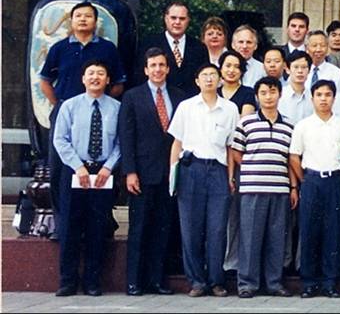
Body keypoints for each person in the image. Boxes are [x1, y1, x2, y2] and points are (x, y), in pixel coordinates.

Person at [39, 1, 127, 218]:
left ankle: (101, 224)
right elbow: (45, 81)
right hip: (66, 112)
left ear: (96, 21)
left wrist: (102, 102)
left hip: (100, 112)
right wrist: (60, 104)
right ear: (71, 20)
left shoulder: (107, 48)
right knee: (60, 170)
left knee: (102, 172)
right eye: (78, 16)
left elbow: (118, 83)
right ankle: (63, 223)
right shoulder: (60, 48)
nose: (83, 19)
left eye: (88, 16)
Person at [169, 63, 239, 297]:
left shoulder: (230, 109)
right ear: (197, 81)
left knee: (217, 229)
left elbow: (230, 147)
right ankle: (197, 281)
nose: (209, 79)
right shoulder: (186, 107)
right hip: (191, 169)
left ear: (220, 80)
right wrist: (173, 175)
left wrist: (230, 176)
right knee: (191, 228)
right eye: (204, 75)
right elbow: (177, 143)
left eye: (213, 75)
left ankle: (216, 280)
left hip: (218, 170)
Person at [51, 60, 120, 297]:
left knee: (97, 228)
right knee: (70, 227)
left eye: (101, 73)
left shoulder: (117, 108)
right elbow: (60, 139)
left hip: (103, 173)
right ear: (83, 79)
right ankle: (67, 281)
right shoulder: (69, 106)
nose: (95, 77)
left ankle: (92, 282)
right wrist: (78, 166)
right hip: (75, 170)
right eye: (91, 73)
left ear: (108, 80)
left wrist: (108, 167)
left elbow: (121, 142)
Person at [119, 48, 182, 296]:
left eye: (161, 65)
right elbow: (126, 137)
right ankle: (134, 281)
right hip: (142, 174)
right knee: (139, 229)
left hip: (169, 174)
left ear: (168, 68)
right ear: (146, 70)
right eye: (153, 65)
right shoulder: (132, 97)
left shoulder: (179, 97)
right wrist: (130, 171)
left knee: (162, 229)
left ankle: (156, 280)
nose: (157, 69)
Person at [229, 77, 296, 298]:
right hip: (252, 189)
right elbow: (236, 153)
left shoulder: (289, 126)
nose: (268, 97)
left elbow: (290, 159)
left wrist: (293, 187)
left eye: (273, 92)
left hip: (280, 190)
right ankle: (247, 284)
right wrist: (254, 168)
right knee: (250, 238)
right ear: (257, 97)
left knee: (276, 239)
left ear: (280, 94)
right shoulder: (246, 123)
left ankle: (274, 283)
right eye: (264, 93)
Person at [289, 80, 340, 299]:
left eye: (328, 95)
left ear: (334, 98)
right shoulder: (303, 125)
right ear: (312, 98)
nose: (323, 99)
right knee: (309, 231)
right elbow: (294, 156)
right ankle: (308, 283)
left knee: (333, 231)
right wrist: (304, 180)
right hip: (311, 180)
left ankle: (330, 282)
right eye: (319, 95)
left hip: (335, 181)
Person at [134, 0, 202, 96]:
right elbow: (139, 77)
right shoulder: (148, 44)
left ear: (188, 20)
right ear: (166, 19)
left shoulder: (199, 47)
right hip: (158, 100)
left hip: (191, 102)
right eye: (173, 18)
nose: (177, 22)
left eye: (182, 18)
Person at [217, 51, 256, 116]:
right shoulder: (214, 92)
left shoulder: (248, 92)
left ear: (242, 71)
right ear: (221, 69)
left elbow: (245, 118)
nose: (232, 70)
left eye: (236, 67)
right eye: (228, 66)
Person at [279, 51, 315, 123]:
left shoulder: (313, 96)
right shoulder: (280, 95)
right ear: (287, 69)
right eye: (296, 67)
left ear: (309, 70)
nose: (300, 71)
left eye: (304, 67)